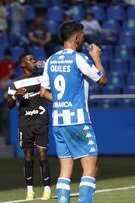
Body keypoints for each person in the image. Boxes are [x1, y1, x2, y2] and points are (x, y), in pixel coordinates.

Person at [40, 22, 107, 203]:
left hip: (59, 123)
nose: (83, 39)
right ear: (76, 38)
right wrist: (97, 59)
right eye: (82, 36)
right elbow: (102, 81)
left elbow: (43, 92)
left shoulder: (51, 60)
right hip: (78, 121)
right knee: (91, 168)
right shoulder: (79, 58)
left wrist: (62, 102)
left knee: (65, 170)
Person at [6, 52, 51, 200]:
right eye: (30, 60)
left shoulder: (42, 77)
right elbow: (9, 105)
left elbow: (51, 67)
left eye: (34, 59)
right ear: (23, 64)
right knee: (28, 156)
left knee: (43, 154)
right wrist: (15, 95)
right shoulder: (15, 83)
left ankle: (47, 189)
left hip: (41, 121)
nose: (33, 61)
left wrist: (44, 64)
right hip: (25, 124)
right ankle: (30, 190)